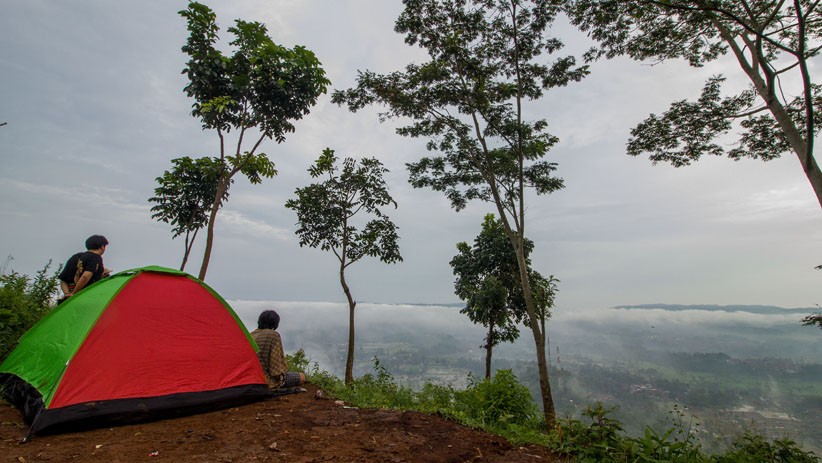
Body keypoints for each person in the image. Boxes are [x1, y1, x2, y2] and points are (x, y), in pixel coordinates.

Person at [250, 310, 305, 389]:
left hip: (248, 379)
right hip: (264, 381)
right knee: (301, 376)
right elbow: (276, 369)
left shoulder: (250, 335)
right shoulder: (274, 335)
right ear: (275, 324)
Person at [58, 235, 110, 301]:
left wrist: (67, 293)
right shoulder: (96, 257)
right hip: (86, 297)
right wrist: (74, 294)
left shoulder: (76, 256)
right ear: (102, 247)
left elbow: (63, 279)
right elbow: (85, 276)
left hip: (69, 300)